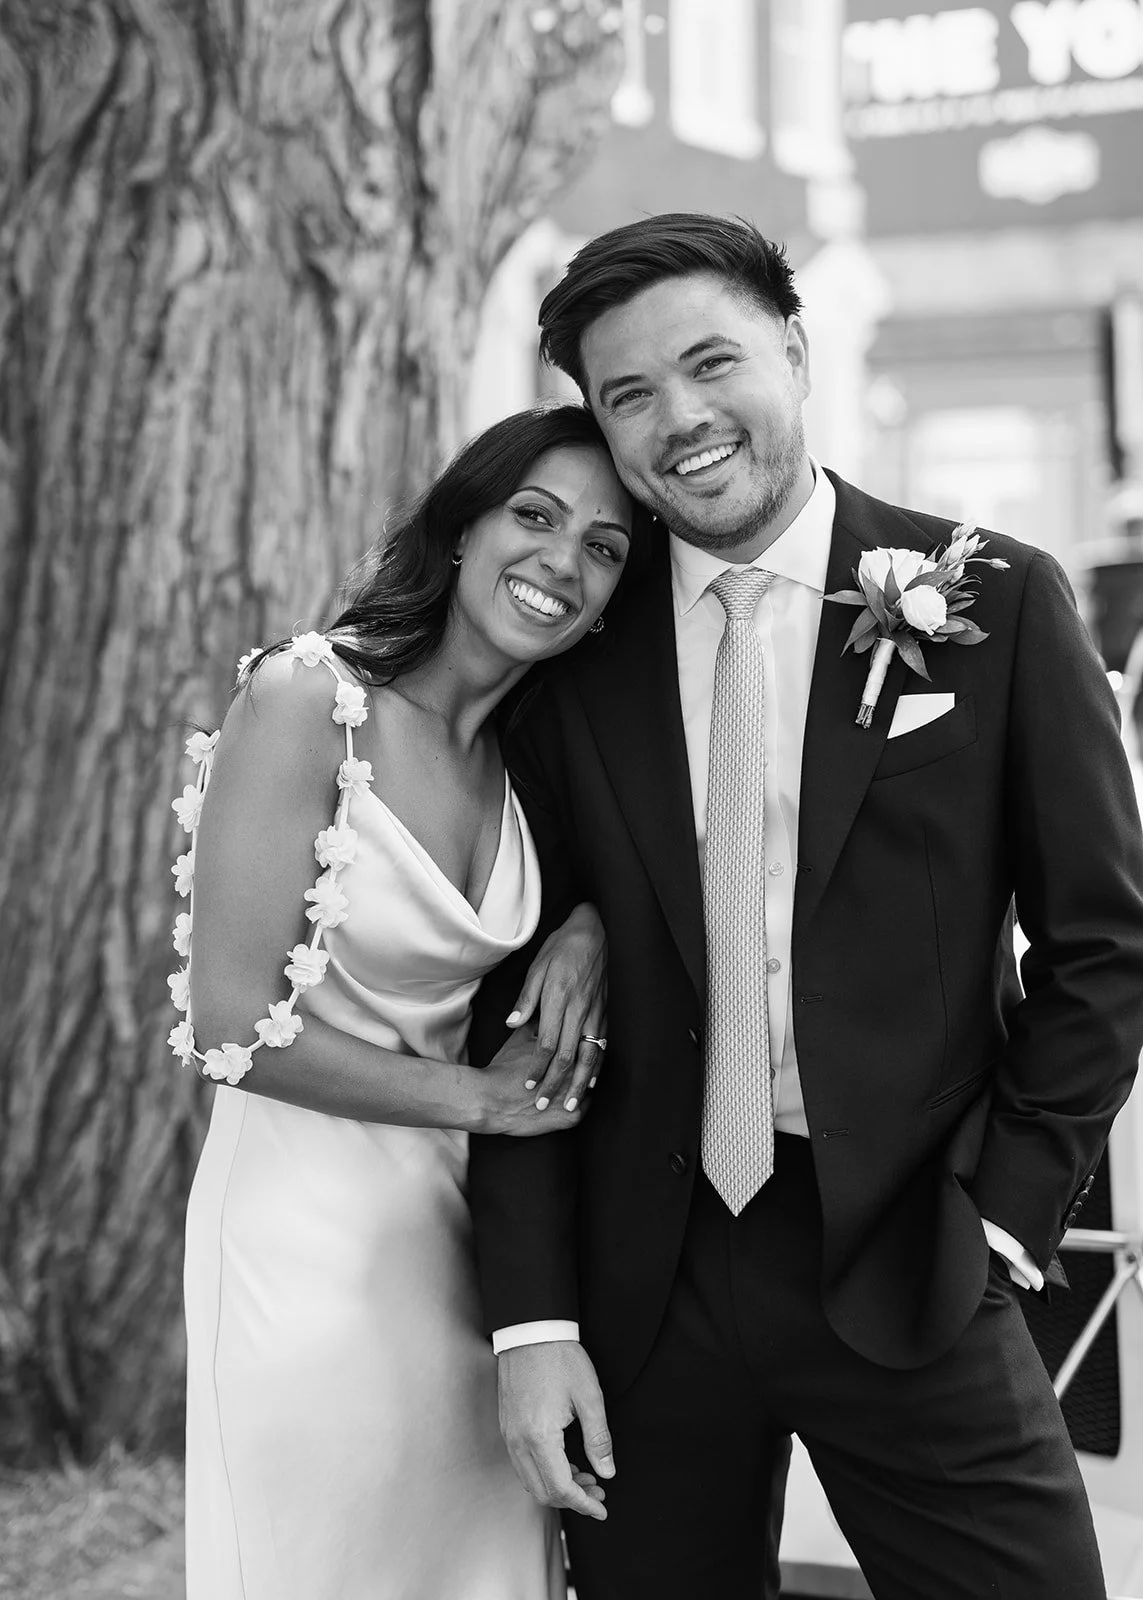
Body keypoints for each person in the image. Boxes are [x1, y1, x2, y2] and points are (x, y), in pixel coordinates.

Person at [467, 214, 1143, 1600]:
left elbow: (1103, 945)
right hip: (636, 1286)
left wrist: (1005, 1224)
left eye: (709, 362)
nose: (679, 418)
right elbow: (514, 986)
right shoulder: (571, 642)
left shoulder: (996, 597)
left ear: (792, 348)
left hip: (912, 1252)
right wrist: (531, 1318)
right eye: (627, 395)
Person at [175, 403, 646, 1600]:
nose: (561, 561)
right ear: (459, 523)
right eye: (534, 516)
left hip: (464, 1248)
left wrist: (586, 921)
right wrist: (478, 1101)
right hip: (302, 1234)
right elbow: (226, 1024)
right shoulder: (307, 698)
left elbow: (616, 896)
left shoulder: (540, 762)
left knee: (477, 1567)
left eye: (602, 548)